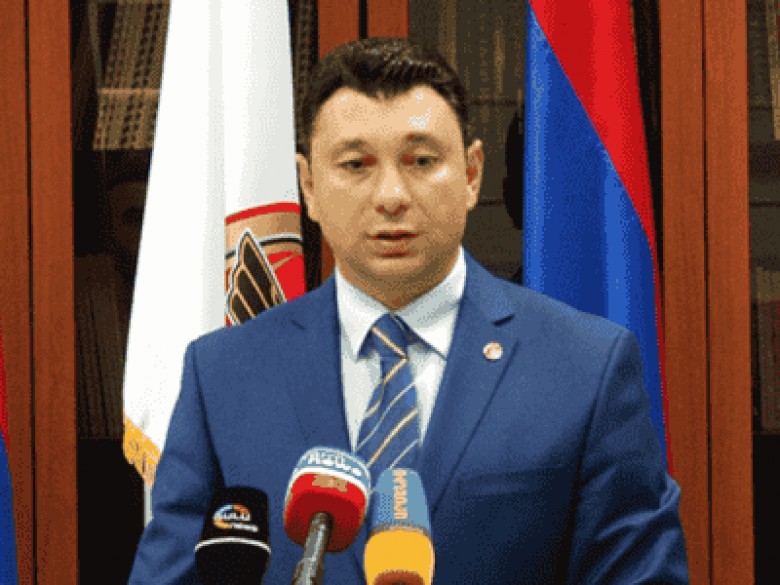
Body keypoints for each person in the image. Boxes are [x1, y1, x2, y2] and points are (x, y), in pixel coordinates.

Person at [128, 37, 689, 583]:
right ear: (309, 186)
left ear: (471, 174)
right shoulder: (224, 375)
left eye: (421, 160)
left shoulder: (584, 367)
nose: (391, 195)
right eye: (355, 165)